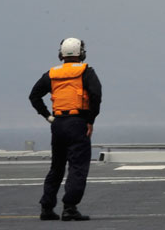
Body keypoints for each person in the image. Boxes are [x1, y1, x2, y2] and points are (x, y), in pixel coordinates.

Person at [28, 38, 102, 222]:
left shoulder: (51, 74)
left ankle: (46, 208)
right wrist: (90, 120)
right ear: (81, 53)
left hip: (58, 123)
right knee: (77, 167)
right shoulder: (86, 71)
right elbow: (96, 96)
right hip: (78, 122)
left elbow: (34, 96)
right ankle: (69, 208)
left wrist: (48, 116)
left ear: (61, 54)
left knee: (57, 167)